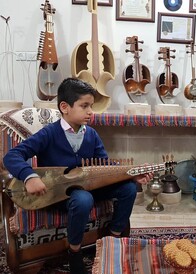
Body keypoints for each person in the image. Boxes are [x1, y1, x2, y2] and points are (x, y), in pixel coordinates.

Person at [3, 78, 153, 274]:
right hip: (59, 195)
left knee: (129, 189)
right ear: (65, 107)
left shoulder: (91, 135)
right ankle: (75, 251)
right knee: (83, 198)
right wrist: (29, 176)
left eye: (91, 106)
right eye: (84, 106)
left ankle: (113, 239)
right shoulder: (49, 133)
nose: (90, 111)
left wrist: (130, 175)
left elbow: (104, 166)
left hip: (90, 186)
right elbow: (11, 156)